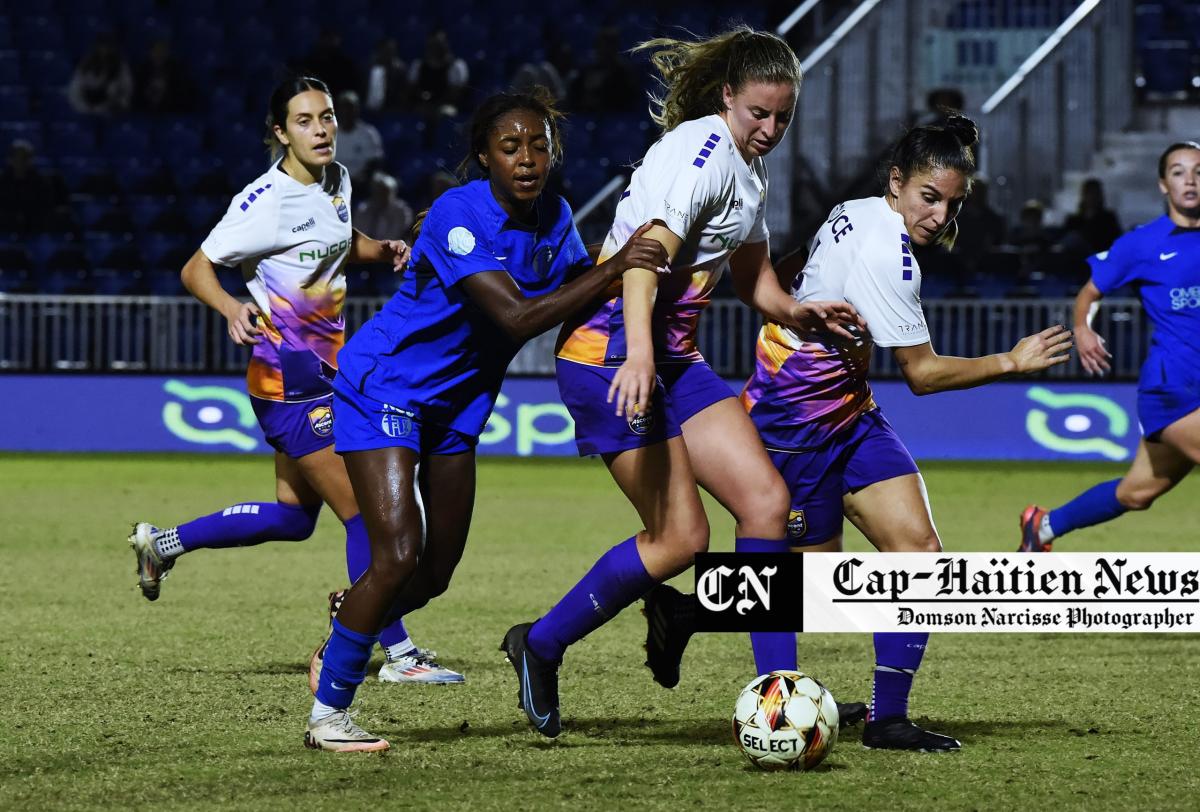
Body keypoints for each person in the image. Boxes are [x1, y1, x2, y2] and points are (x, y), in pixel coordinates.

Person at [649, 114, 1073, 752]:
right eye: (929, 198)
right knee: (807, 592)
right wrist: (1011, 361)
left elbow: (794, 264)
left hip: (851, 413)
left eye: (952, 204)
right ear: (898, 182)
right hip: (794, 426)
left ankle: (889, 718)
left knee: (919, 556)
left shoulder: (853, 209)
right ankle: (683, 611)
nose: (939, 216)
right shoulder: (888, 254)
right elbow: (923, 373)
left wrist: (802, 305)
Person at [500, 27, 864, 740]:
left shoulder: (750, 171)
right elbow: (642, 259)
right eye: (759, 113)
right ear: (728, 96)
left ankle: (778, 696)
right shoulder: (701, 157)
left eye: (782, 117)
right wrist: (637, 356)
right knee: (680, 538)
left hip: (669, 356)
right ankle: (539, 645)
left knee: (766, 504)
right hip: (609, 354)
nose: (770, 128)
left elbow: (754, 279)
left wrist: (798, 310)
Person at [304, 87, 671, 753]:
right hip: (386, 386)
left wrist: (632, 282)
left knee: (436, 571)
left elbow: (573, 290)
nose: (527, 158)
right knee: (398, 554)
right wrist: (617, 266)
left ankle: (346, 633)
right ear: (485, 157)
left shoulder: (554, 216)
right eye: (510, 147)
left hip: (457, 407)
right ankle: (327, 716)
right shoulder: (457, 213)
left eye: (538, 145)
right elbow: (517, 317)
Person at [127, 76, 461, 695]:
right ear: (280, 132)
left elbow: (330, 242)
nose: (322, 129)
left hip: (322, 372)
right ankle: (396, 649)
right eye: (305, 121)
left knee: (292, 516)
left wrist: (376, 249)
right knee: (367, 515)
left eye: (327, 117)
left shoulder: (336, 181)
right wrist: (230, 308)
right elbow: (196, 268)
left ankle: (163, 544)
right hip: (289, 380)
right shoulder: (263, 201)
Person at [1019, 141, 1200, 552]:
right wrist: (1082, 329)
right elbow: (1089, 292)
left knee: (1137, 493)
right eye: (1178, 171)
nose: (1190, 180)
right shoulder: (1142, 244)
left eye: (1199, 171)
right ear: (1162, 184)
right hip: (1175, 390)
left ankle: (1042, 527)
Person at [67, 32, 133, 115]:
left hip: (110, 112)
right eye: (102, 46)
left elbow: (127, 90)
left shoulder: (120, 66)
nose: (104, 50)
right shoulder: (86, 64)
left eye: (107, 46)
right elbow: (75, 88)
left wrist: (118, 106)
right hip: (86, 110)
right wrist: (84, 107)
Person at [332, 90, 385, 187]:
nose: (347, 112)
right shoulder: (329, 133)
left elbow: (374, 161)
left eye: (350, 108)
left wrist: (362, 180)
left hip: (361, 184)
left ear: (357, 110)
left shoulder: (368, 133)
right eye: (344, 108)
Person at [354, 172, 414, 240]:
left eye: (386, 192)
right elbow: (358, 233)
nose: (382, 196)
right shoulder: (363, 209)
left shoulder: (402, 211)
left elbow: (404, 235)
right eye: (379, 192)